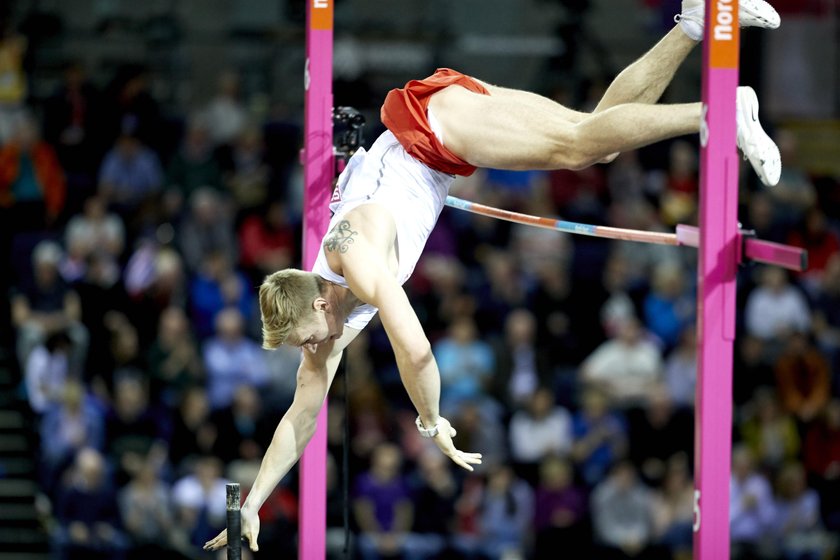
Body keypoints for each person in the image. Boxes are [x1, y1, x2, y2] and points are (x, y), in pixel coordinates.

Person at [205, 0, 782, 551]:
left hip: (432, 130)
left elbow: (418, 351)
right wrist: (255, 500)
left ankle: (722, 111)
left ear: (318, 307)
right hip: (440, 134)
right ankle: (692, 26)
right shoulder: (324, 312)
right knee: (594, 137)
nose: (311, 350)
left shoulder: (353, 258)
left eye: (307, 337)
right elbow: (302, 415)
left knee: (577, 148)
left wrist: (432, 423)